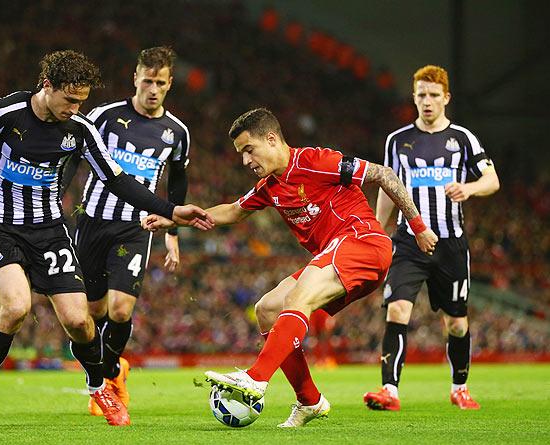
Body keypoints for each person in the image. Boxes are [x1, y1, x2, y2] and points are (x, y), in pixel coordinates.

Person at [0, 50, 213, 430]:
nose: (76, 108)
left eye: (82, 101)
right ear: (47, 86)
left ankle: (99, 387)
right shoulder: (6, 113)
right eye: (70, 100)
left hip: (50, 231)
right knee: (15, 308)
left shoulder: (80, 129)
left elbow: (116, 178)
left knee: (80, 322)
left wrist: (170, 210)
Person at [142, 108, 438, 427]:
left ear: (271, 139)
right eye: (241, 154)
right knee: (268, 309)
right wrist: (173, 218)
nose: (245, 161)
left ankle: (256, 378)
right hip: (335, 254)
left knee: (297, 297)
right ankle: (309, 400)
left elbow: (384, 175)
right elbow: (231, 211)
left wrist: (418, 226)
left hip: (361, 241)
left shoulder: (315, 161)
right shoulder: (270, 186)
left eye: (248, 150)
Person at [62, 46, 190, 418]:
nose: (152, 88)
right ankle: (115, 368)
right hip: (92, 221)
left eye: (160, 83)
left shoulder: (176, 132)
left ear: (169, 85)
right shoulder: (103, 117)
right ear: (135, 78)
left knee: (120, 309)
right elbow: (71, 157)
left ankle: (107, 378)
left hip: (137, 227)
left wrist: (173, 233)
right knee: (91, 311)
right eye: (147, 80)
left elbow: (178, 180)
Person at [363, 65, 499, 411]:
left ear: (446, 98)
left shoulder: (463, 139)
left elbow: (492, 180)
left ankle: (459, 387)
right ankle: (389, 392)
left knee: (455, 322)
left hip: (451, 244)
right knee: (397, 309)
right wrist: (378, 228)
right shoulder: (397, 140)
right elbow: (387, 186)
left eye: (433, 95)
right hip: (408, 241)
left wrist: (468, 189)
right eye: (421, 94)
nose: (427, 101)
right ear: (414, 97)